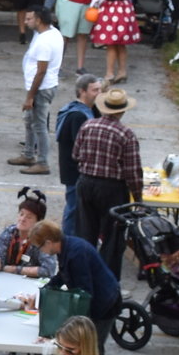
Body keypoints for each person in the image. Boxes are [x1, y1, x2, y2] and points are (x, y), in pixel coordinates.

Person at [72, 87, 144, 264]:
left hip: (86, 183)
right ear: (123, 110)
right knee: (113, 239)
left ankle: (84, 278)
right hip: (113, 189)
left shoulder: (88, 125)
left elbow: (75, 155)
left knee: (85, 233)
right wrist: (138, 198)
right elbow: (132, 172)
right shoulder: (126, 134)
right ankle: (109, 283)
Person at [27, 217, 122, 323]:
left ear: (48, 243)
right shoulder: (64, 247)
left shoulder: (76, 255)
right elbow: (62, 276)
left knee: (91, 339)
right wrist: (42, 294)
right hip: (99, 300)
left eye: (40, 247)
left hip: (104, 306)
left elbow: (84, 294)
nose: (42, 251)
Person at [12, 8, 62, 176]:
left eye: (29, 19)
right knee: (29, 120)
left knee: (39, 125)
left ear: (39, 20)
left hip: (41, 88)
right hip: (44, 86)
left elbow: (41, 71)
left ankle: (42, 162)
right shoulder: (52, 32)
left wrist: (30, 96)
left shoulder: (44, 43)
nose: (25, 22)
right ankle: (28, 154)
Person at [52, 75, 100, 241]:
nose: (98, 93)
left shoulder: (91, 109)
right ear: (82, 91)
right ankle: (68, 241)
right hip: (74, 171)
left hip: (81, 171)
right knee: (73, 209)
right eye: (95, 90)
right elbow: (82, 148)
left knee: (80, 209)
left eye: (99, 89)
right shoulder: (77, 116)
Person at [0, 189, 59, 278]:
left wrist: (15, 269)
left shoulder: (43, 239)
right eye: (21, 214)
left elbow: (48, 270)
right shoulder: (9, 232)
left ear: (38, 222)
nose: (22, 219)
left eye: (29, 217)